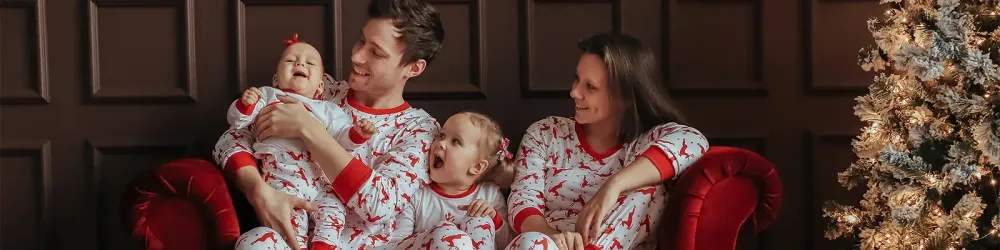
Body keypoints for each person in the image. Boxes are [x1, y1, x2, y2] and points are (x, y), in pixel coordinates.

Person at [212, 0, 456, 249]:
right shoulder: (319, 90)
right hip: (293, 239)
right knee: (255, 243)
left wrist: (308, 130)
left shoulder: (421, 130)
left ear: (414, 68)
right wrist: (258, 192)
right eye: (361, 40)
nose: (356, 55)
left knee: (452, 239)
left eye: (377, 52)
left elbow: (377, 205)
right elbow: (232, 138)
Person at [504, 32, 709, 250]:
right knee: (532, 242)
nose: (574, 92)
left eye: (590, 87)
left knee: (648, 189)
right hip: (547, 244)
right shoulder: (545, 132)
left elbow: (694, 140)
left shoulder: (645, 143)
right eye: (577, 78)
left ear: (626, 97)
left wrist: (613, 186)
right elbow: (522, 203)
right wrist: (556, 239)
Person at [223, 33, 378, 249]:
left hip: (323, 185)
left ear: (320, 87)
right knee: (290, 224)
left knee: (334, 213)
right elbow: (237, 123)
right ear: (276, 79)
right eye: (290, 60)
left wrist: (357, 134)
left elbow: (342, 139)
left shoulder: (328, 110)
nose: (299, 63)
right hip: (284, 180)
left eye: (309, 62)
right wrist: (245, 104)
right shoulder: (268, 96)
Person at [388, 111, 516, 250]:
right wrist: (435, 236)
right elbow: (396, 244)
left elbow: (508, 243)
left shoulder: (489, 194)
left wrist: (495, 219)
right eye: (441, 135)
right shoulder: (416, 195)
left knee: (480, 219)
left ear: (477, 166)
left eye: (456, 141)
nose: (441, 143)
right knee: (445, 232)